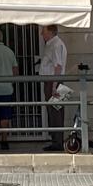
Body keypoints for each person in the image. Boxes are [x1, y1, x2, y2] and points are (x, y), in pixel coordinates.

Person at [39, 24, 68, 152]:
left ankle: (57, 142)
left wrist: (54, 85)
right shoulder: (53, 44)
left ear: (50, 32)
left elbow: (58, 66)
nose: (41, 34)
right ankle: (56, 140)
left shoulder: (55, 44)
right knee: (54, 111)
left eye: (43, 31)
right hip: (52, 81)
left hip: (53, 81)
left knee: (55, 111)